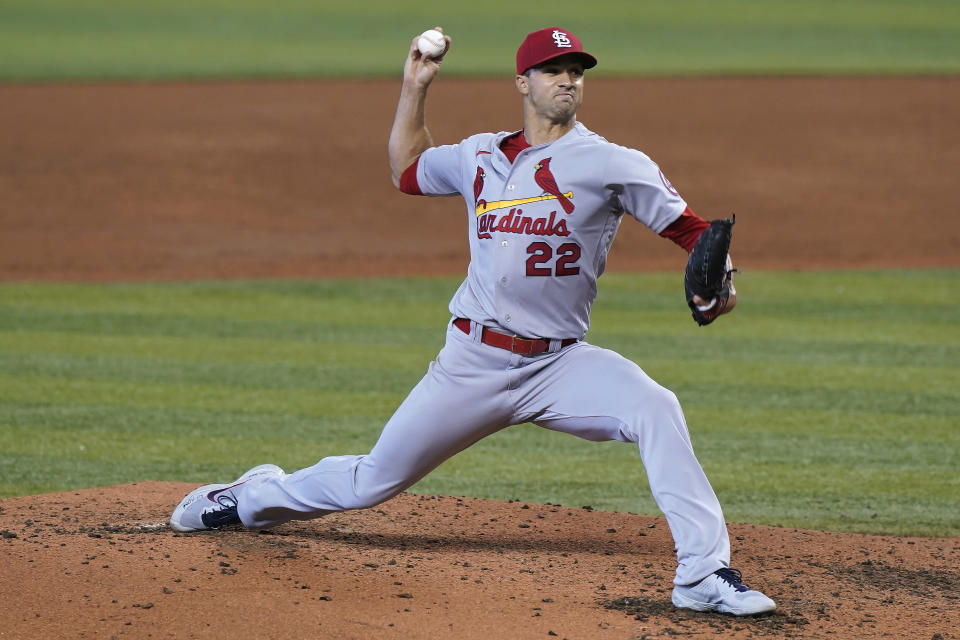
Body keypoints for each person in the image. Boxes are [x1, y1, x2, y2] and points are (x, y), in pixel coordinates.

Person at [170, 26, 775, 616]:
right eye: (553, 71)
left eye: (576, 72)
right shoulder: (478, 155)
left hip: (559, 363)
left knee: (656, 406)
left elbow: (696, 233)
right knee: (370, 482)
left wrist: (722, 285)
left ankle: (702, 573)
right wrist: (415, 86)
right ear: (523, 82)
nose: (567, 81)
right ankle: (248, 498)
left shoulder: (612, 162)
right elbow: (407, 170)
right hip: (472, 362)